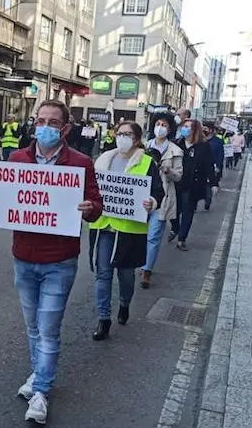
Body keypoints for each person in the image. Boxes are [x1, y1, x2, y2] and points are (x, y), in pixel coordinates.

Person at [0, 99, 102, 425]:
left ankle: (41, 392)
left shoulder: (80, 163)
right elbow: (6, 200)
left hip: (59, 261)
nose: (45, 127)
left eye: (53, 122)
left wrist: (89, 207)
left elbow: (97, 207)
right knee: (33, 327)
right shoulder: (17, 158)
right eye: (41, 121)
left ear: (65, 128)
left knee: (48, 330)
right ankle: (38, 377)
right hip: (23, 257)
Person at [90, 122, 164, 340]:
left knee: (125, 275)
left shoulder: (147, 162)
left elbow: (157, 192)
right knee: (102, 274)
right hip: (103, 225)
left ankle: (124, 303)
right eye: (120, 133)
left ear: (137, 138)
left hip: (129, 231)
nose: (122, 137)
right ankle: (103, 319)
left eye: (128, 134)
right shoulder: (103, 159)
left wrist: (152, 201)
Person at [140, 113, 183, 289]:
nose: (160, 127)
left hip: (163, 197)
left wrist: (168, 171)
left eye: (164, 124)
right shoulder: (143, 146)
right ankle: (141, 262)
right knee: (141, 235)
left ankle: (146, 271)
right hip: (142, 195)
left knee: (154, 236)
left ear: (170, 128)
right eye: (157, 124)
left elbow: (179, 176)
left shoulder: (176, 151)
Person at [171, 118, 217, 251]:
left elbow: (209, 165)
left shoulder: (203, 146)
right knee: (174, 210)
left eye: (188, 127)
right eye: (183, 126)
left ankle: (181, 239)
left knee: (187, 212)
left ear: (194, 130)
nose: (184, 129)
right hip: (176, 182)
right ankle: (175, 228)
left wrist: (214, 183)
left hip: (192, 185)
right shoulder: (177, 144)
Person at [203, 123, 224, 211]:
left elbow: (220, 155)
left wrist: (218, 167)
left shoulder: (218, 142)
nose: (204, 130)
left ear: (211, 130)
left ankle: (207, 203)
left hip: (212, 167)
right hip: (200, 167)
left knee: (208, 187)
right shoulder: (200, 140)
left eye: (206, 128)